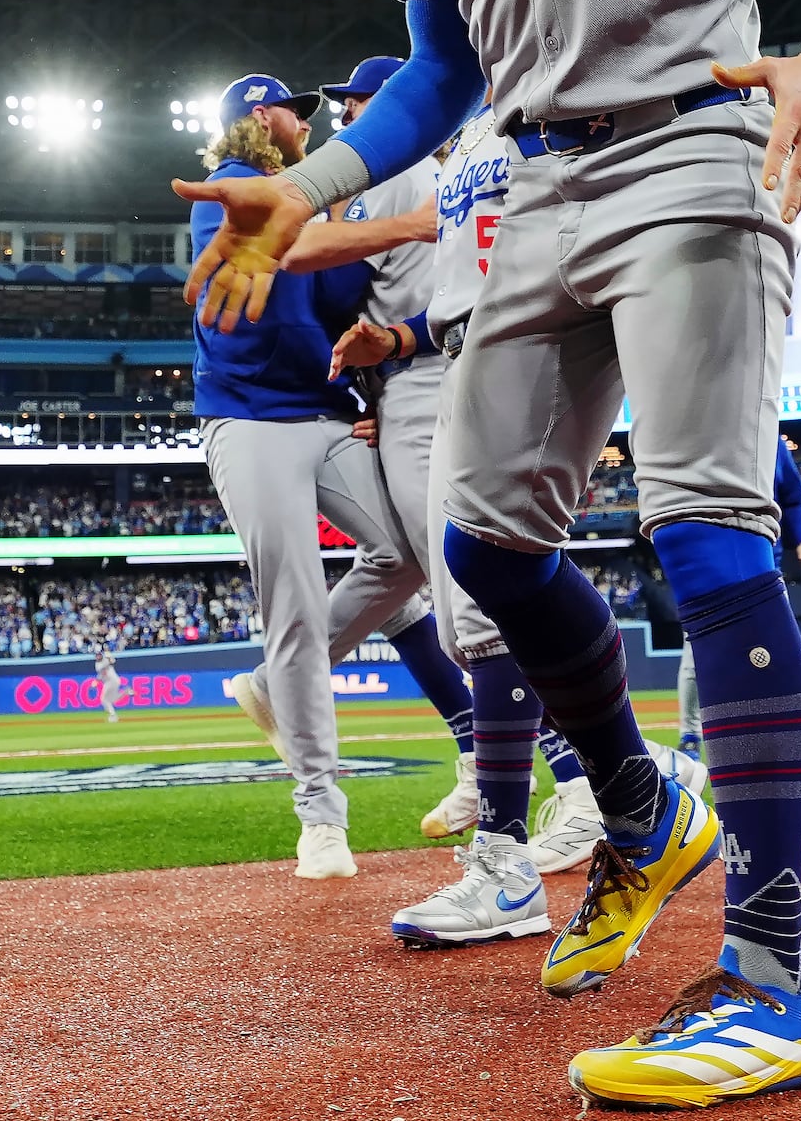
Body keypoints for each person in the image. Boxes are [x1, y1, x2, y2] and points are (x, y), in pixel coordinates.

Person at [180, 0, 801, 1106]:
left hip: (694, 149)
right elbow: (439, 73)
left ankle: (778, 971)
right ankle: (641, 805)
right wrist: (317, 186)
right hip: (541, 183)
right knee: (486, 545)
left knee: (706, 524)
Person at [333, 93, 710, 949]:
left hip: (526, 347)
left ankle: (514, 857)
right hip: (462, 355)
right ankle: (635, 775)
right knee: (475, 620)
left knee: (490, 597)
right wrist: (394, 357)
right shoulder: (465, 132)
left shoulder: (551, 97)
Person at [232, 52, 490, 844]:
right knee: (434, 578)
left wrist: (390, 354)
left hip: (434, 377)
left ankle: (578, 772)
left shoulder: (399, 175)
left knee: (460, 580)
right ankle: (502, 765)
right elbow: (319, 271)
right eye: (338, 108)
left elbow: (314, 259)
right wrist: (373, 379)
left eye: (358, 104)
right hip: (392, 386)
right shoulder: (393, 179)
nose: (345, 118)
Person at [189, 71, 415, 882]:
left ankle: (269, 683)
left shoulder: (315, 200)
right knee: (289, 601)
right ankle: (320, 814)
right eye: (293, 109)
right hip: (248, 415)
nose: (304, 122)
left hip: (323, 412)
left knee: (406, 552)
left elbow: (338, 291)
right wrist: (415, 223)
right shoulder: (236, 189)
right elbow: (295, 251)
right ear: (260, 116)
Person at [678, 443, 801, 755]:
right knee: (697, 655)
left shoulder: (772, 439)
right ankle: (690, 737)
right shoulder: (701, 431)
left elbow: (793, 497)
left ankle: (787, 730)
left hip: (764, 565)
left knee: (778, 651)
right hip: (709, 560)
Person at [94, 642, 122, 723]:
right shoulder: (97, 664)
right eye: (96, 655)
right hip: (109, 682)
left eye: (99, 655)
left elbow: (113, 661)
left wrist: (109, 657)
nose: (97, 656)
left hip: (112, 681)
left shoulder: (106, 658)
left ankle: (113, 715)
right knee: (107, 699)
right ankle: (113, 714)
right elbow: (103, 671)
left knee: (104, 699)